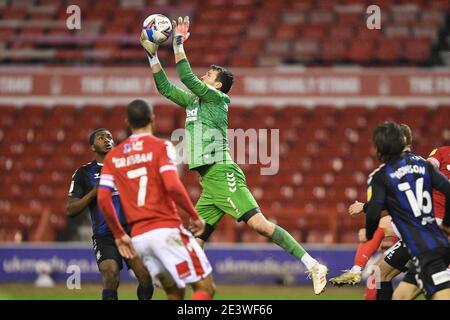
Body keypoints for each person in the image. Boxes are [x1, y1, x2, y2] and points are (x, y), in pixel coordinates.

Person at [140, 16, 328, 294]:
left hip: (221, 171)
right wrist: (151, 55)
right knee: (195, 241)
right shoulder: (194, 101)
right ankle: (192, 289)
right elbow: (165, 88)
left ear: (217, 86)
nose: (205, 75)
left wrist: (178, 42)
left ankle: (313, 264)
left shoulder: (218, 99)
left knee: (260, 226)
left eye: (210, 75)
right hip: (209, 182)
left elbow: (185, 77)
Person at [97, 99, 215, 300]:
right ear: (153, 119)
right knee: (205, 288)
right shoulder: (161, 146)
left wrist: (118, 233)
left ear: (127, 122)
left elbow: (102, 199)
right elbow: (172, 186)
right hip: (166, 230)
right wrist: (195, 216)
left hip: (140, 239)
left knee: (175, 292)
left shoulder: (113, 157)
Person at [364, 122, 450, 300]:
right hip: (435, 240)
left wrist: (369, 234)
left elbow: (374, 213)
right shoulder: (424, 166)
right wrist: (447, 225)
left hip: (425, 245)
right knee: (401, 296)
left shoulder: (381, 176)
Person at [67, 128, 153, 300]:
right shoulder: (83, 173)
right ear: (92, 147)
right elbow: (71, 209)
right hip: (105, 235)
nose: (107, 140)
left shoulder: (127, 166)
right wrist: (93, 193)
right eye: (101, 137)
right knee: (110, 273)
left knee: (145, 276)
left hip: (132, 232)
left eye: (109, 137)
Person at [330, 124, 414, 300]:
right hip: (424, 232)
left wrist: (365, 207)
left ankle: (355, 270)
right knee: (378, 272)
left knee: (379, 227)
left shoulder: (402, 165)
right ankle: (356, 271)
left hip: (425, 233)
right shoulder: (422, 164)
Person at [391, 144, 450, 300]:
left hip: (436, 235)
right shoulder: (441, 153)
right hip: (436, 237)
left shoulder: (441, 153)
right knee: (401, 296)